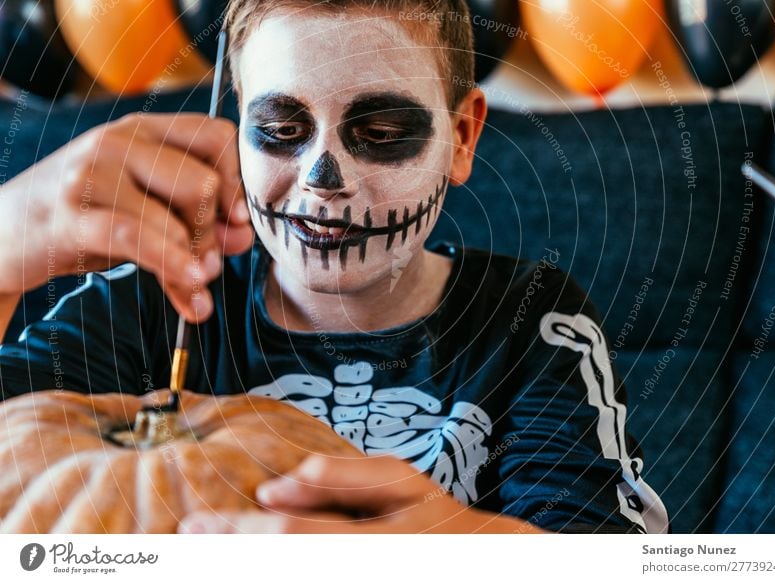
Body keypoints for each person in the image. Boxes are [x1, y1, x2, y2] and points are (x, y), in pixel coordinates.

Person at [0, 0, 669, 534]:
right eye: (281, 131)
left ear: (461, 138)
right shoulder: (148, 308)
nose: (322, 180)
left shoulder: (531, 320)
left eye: (380, 133)